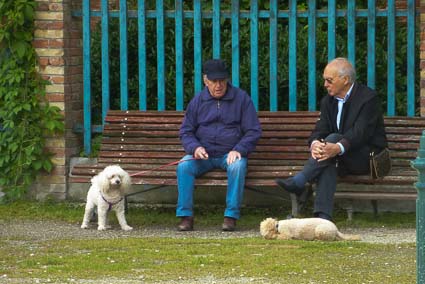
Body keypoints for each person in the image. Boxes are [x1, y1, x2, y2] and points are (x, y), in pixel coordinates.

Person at [275, 57, 388, 221]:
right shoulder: (328, 101)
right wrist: (315, 144)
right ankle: (323, 217)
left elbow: (361, 132)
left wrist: (337, 147)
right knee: (329, 158)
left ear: (345, 80)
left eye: (329, 80)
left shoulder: (368, 98)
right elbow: (320, 129)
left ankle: (299, 181)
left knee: (333, 141)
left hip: (367, 157)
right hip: (339, 157)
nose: (325, 85)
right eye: (325, 80)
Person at [176, 59, 262, 231]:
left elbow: (253, 131)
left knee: (238, 167)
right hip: (203, 155)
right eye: (214, 81)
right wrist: (195, 148)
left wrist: (239, 149)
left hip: (229, 154)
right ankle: (186, 216)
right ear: (205, 80)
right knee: (183, 166)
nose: (219, 85)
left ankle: (230, 216)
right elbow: (186, 132)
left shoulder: (242, 98)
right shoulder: (197, 101)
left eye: (222, 80)